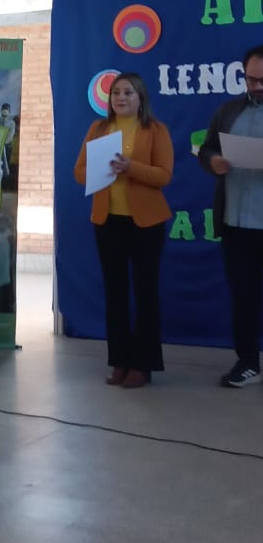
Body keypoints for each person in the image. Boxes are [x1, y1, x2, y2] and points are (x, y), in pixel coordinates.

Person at [74, 72, 173, 389]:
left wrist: (131, 168)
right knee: (114, 293)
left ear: (140, 97)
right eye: (116, 92)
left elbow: (164, 176)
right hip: (108, 221)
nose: (120, 98)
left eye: (128, 92)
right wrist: (101, 169)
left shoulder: (155, 129)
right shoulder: (98, 128)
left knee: (145, 293)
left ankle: (143, 365)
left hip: (147, 223)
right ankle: (119, 360)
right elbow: (79, 172)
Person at [198, 44, 263, 388]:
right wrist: (213, 161)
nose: (257, 87)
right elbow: (207, 148)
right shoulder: (228, 111)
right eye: (251, 80)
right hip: (236, 223)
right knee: (243, 296)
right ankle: (248, 362)